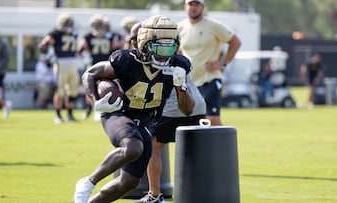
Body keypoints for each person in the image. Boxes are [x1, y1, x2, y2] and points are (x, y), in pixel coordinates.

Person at [73, 15, 195, 203]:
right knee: (133, 147)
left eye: (169, 48)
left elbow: (187, 110)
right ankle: (88, 182)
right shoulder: (126, 60)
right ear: (144, 44)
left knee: (129, 182)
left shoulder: (178, 65)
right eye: (158, 48)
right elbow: (90, 73)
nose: (164, 55)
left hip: (145, 120)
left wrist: (182, 87)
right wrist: (95, 99)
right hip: (118, 112)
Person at [129, 22, 206, 203]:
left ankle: (154, 195)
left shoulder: (152, 55)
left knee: (153, 149)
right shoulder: (172, 51)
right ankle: (198, 193)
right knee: (194, 153)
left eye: (134, 38)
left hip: (173, 108)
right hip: (198, 105)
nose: (132, 42)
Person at [178, 0, 241, 125]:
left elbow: (235, 42)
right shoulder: (179, 28)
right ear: (185, 7)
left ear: (203, 7)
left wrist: (222, 63)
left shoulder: (213, 25)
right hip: (189, 83)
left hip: (209, 80)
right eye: (191, 5)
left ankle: (225, 144)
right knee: (191, 121)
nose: (193, 8)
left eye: (197, 5)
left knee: (212, 120)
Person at [79, 14, 123, 120]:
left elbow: (80, 50)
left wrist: (87, 59)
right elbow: (119, 48)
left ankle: (95, 109)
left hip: (96, 65)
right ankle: (95, 109)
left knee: (92, 87)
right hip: (107, 65)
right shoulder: (111, 36)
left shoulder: (88, 36)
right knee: (104, 87)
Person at [39, 12, 80, 123]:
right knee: (60, 90)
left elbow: (74, 48)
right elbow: (43, 45)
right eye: (68, 22)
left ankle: (70, 115)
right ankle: (57, 115)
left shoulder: (73, 33)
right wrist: (48, 56)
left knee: (73, 90)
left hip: (72, 62)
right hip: (61, 63)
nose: (70, 24)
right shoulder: (55, 33)